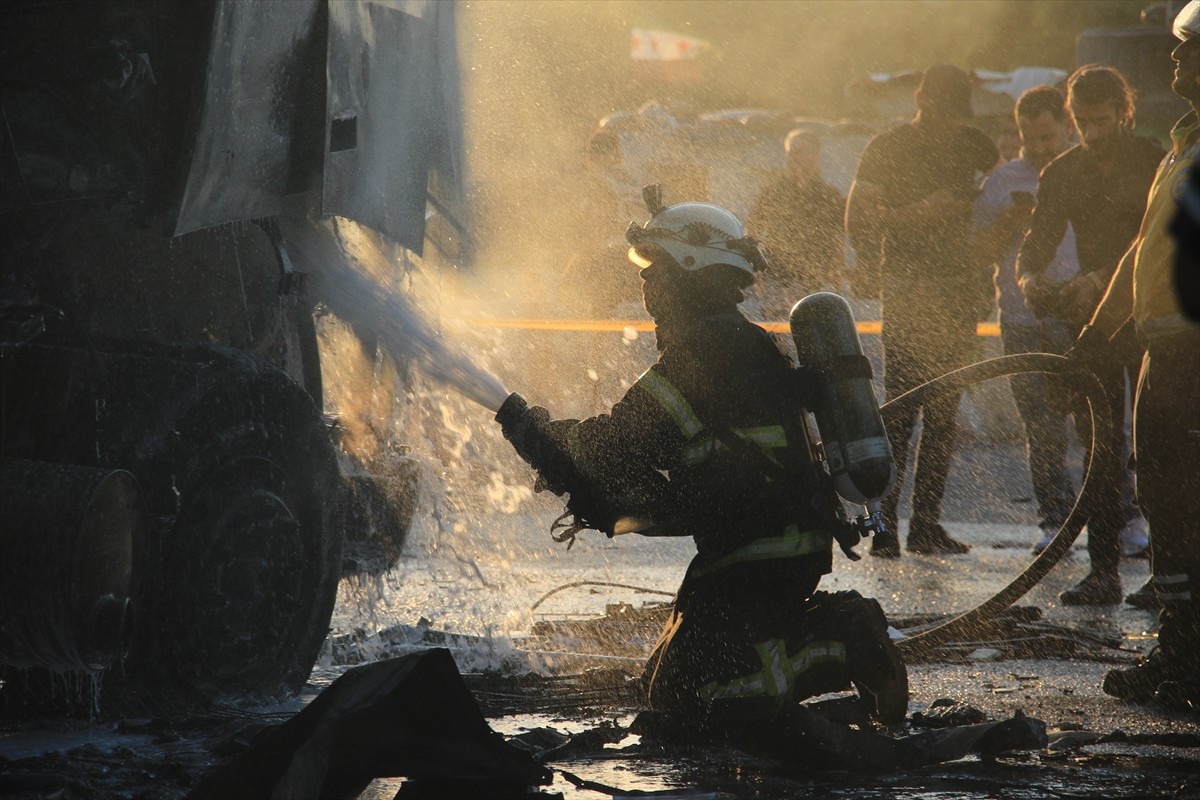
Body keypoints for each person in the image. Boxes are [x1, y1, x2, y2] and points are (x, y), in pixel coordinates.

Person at [495, 199, 907, 733]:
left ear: (687, 272)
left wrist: (527, 427)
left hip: (760, 552)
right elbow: (692, 479)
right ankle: (806, 640)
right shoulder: (733, 342)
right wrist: (612, 504)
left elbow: (613, 447)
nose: (646, 286)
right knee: (666, 688)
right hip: (756, 545)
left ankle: (840, 639)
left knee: (712, 698)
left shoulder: (703, 354)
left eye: (655, 269)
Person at [1075, 0, 1199, 710]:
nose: (1176, 58)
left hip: (1194, 351)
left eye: (1189, 49)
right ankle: (1180, 649)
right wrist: (1099, 330)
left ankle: (1191, 659)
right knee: (1166, 499)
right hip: (1165, 348)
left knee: (1189, 501)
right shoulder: (1182, 142)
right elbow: (1143, 248)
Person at [1015, 65, 1165, 606]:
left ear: (1124, 112)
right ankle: (1103, 572)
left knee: (1157, 447)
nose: (1092, 133)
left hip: (1154, 318)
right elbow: (1037, 242)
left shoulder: (1154, 160)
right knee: (1100, 447)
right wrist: (1031, 279)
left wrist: (1100, 278)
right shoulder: (1062, 171)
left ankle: (1169, 576)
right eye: (1082, 123)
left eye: (1102, 122)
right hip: (1094, 325)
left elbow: (1154, 239)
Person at [845, 64, 999, 556]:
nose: (948, 122)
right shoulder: (888, 146)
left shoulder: (976, 144)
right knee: (902, 410)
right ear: (920, 99)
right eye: (941, 111)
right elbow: (856, 217)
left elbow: (972, 207)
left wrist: (900, 217)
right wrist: (913, 216)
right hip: (909, 288)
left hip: (957, 289)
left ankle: (926, 525)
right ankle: (885, 527)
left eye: (956, 113)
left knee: (944, 411)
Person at [972, 86, 1080, 553]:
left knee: (1103, 424)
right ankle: (1055, 518)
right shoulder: (1002, 182)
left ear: (1067, 127)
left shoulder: (1087, 170)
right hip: (1021, 317)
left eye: (1047, 136)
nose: (1039, 148)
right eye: (1029, 139)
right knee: (1041, 425)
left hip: (1084, 313)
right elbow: (976, 252)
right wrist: (1012, 222)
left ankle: (1121, 519)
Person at [747, 129, 846, 310]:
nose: (793, 158)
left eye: (798, 153)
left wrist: (837, 275)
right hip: (777, 278)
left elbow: (838, 238)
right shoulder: (772, 192)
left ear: (815, 156)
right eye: (790, 153)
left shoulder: (828, 195)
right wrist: (756, 270)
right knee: (777, 334)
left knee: (814, 332)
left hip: (817, 280)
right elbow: (752, 232)